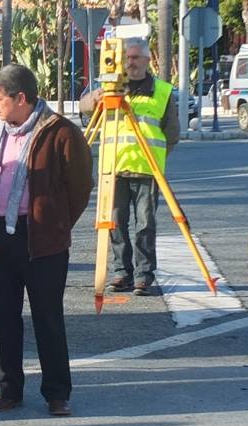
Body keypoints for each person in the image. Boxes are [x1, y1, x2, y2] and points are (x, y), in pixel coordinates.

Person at [0, 64, 93, 416]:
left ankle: (57, 392)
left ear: (20, 98)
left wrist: (54, 222)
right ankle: (8, 389)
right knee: (3, 316)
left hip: (42, 237)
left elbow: (79, 188)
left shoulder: (61, 132)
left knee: (47, 317)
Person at [79, 37, 180, 296]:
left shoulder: (162, 91)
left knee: (145, 224)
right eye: (127, 58)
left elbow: (172, 134)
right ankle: (122, 272)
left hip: (146, 169)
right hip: (113, 168)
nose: (130, 63)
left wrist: (155, 156)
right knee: (114, 222)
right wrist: (97, 96)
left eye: (135, 58)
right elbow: (85, 109)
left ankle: (144, 275)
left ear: (147, 60)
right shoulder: (110, 89)